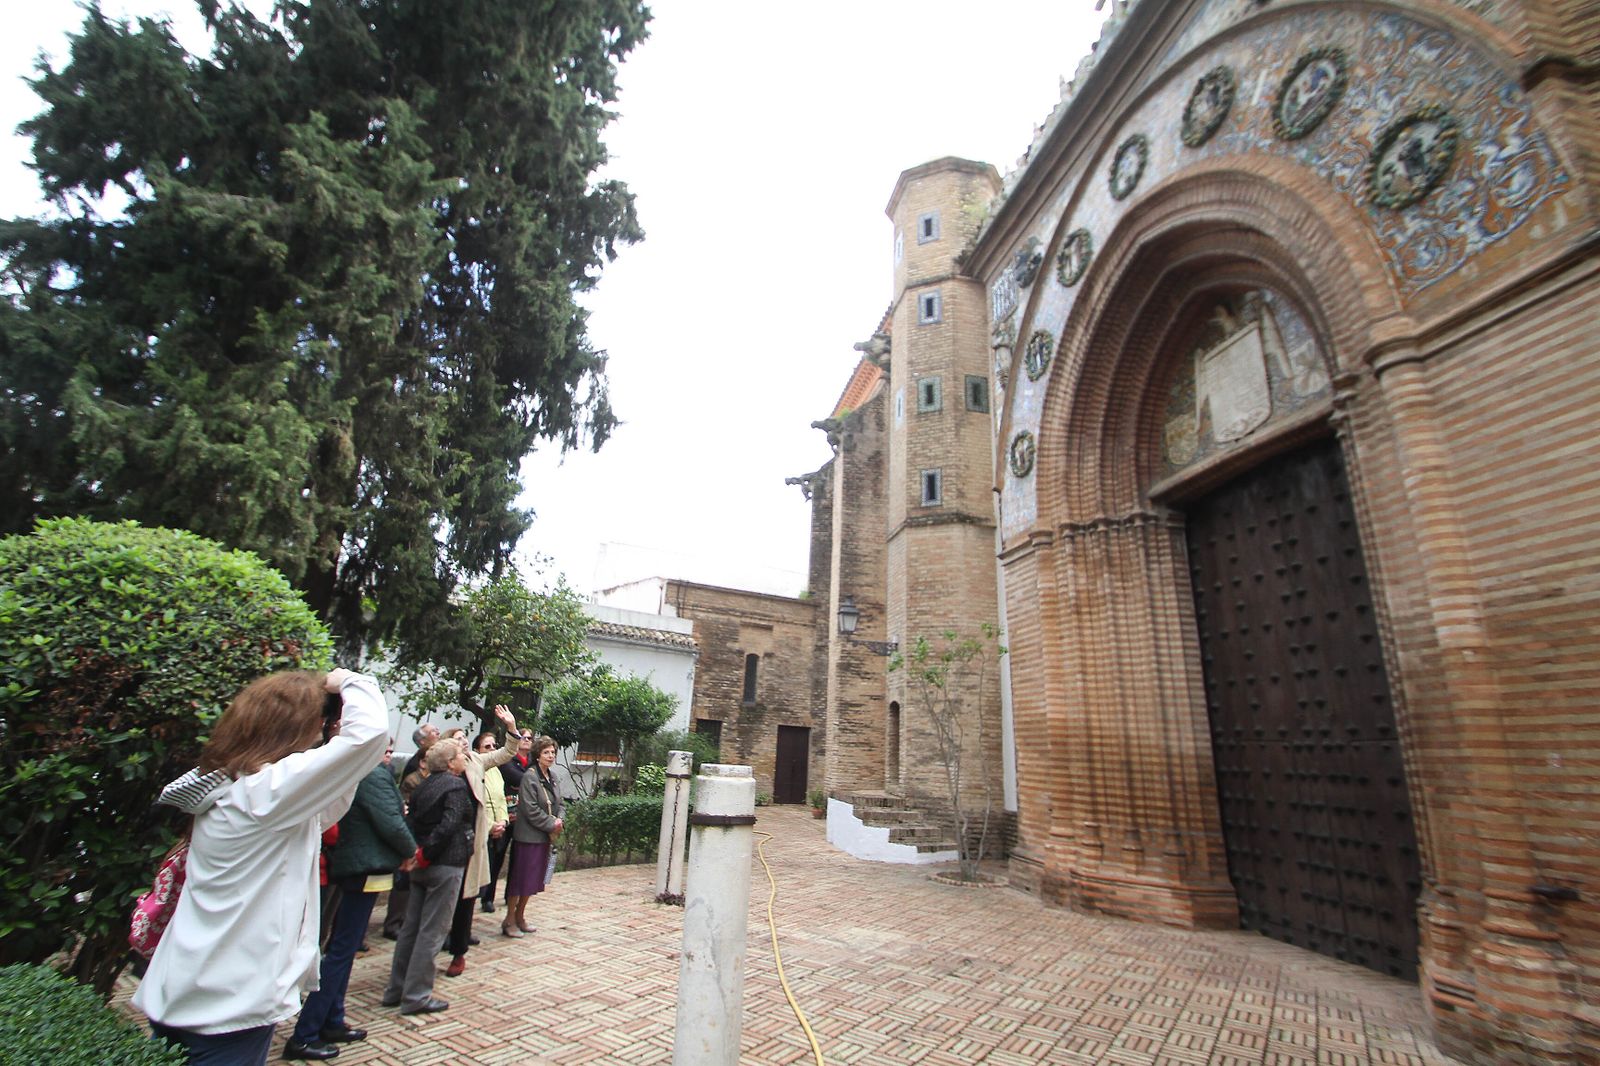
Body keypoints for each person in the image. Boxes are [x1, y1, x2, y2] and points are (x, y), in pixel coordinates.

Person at [132, 669, 388, 1066]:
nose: (320, 734)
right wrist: (351, 681)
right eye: (317, 726)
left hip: (194, 990)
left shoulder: (236, 790)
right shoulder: (261, 795)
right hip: (224, 1009)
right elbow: (369, 735)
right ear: (293, 731)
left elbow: (322, 813)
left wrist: (337, 753)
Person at [284, 743, 416, 1060]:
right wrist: (411, 850)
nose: (388, 754)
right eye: (384, 748)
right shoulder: (371, 774)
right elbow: (389, 819)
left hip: (357, 863)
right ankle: (306, 1031)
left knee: (346, 944)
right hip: (364, 865)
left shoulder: (357, 770)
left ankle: (332, 1019)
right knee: (342, 950)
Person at [382, 738, 472, 1015]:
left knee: (411, 928)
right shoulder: (455, 785)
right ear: (449, 763)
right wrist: (426, 853)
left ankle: (395, 989)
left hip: (421, 865)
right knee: (432, 932)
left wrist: (414, 853)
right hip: (444, 864)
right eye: (459, 754)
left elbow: (410, 821)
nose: (463, 757)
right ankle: (417, 996)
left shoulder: (422, 785)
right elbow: (449, 825)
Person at [441, 707, 519, 976]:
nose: (463, 741)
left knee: (466, 896)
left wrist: (510, 727)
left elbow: (506, 753)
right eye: (459, 738)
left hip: (471, 840)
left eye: (465, 737)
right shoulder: (440, 767)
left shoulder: (476, 761)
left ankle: (458, 952)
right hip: (445, 842)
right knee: (442, 900)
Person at [382, 724, 440, 939]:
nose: (437, 733)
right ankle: (394, 922)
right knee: (404, 881)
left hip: (423, 834)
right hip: (413, 833)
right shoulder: (413, 772)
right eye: (432, 732)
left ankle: (405, 919)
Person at [504, 735, 563, 937]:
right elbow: (529, 808)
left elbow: (560, 803)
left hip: (544, 837)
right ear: (538, 755)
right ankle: (509, 918)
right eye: (546, 752)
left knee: (532, 880)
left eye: (553, 752)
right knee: (520, 879)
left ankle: (521, 915)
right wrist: (550, 824)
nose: (550, 756)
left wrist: (560, 820)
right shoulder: (530, 776)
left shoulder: (553, 777)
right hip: (528, 836)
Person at [481, 730, 533, 912]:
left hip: (523, 818)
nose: (527, 740)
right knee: (497, 856)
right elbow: (522, 780)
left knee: (517, 859)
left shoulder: (531, 762)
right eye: (523, 737)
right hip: (504, 816)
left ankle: (510, 894)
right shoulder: (506, 762)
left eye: (530, 738)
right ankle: (487, 896)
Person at [473, 731, 512, 915]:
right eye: (486, 747)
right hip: (483, 828)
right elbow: (477, 803)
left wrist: (503, 821)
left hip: (499, 826)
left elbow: (501, 798)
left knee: (495, 865)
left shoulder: (496, 771)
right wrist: (490, 826)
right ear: (476, 750)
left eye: (493, 746)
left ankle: (488, 897)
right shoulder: (473, 771)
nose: (491, 750)